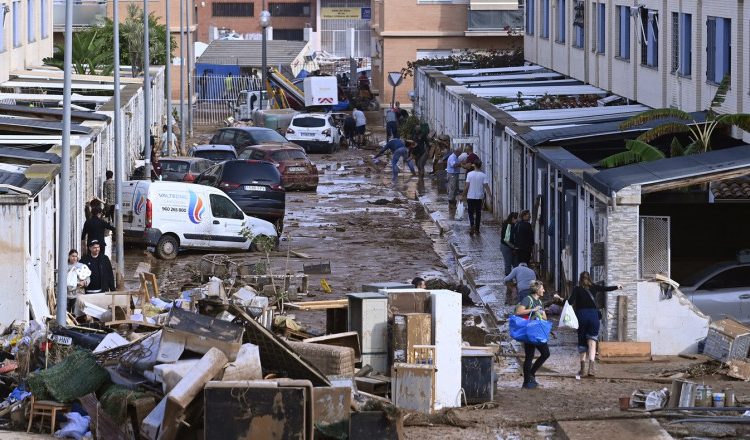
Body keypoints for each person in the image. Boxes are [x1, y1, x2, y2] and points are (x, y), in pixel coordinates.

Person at [566, 272, 623, 377]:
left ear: (580, 279)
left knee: (582, 343)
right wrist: (617, 286)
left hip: (581, 317)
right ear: (590, 279)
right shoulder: (594, 287)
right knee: (592, 342)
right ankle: (591, 369)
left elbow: (569, 302)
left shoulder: (577, 289)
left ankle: (582, 369)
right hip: (593, 317)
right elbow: (605, 288)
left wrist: (558, 300)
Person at [515, 280, 550, 389]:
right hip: (529, 331)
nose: (544, 290)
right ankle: (526, 382)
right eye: (542, 288)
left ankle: (532, 373)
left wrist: (540, 313)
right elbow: (518, 312)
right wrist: (533, 310)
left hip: (538, 332)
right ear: (537, 289)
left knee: (546, 353)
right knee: (529, 356)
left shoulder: (540, 302)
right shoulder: (528, 299)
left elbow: (545, 318)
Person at [462, 160, 492, 235]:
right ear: (480, 166)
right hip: (479, 197)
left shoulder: (469, 174)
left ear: (474, 165)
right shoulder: (483, 175)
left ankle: (472, 224)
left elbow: (467, 186)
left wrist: (463, 195)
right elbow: (486, 187)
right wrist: (490, 196)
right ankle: (477, 229)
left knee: (470, 212)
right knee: (478, 213)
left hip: (470, 196)